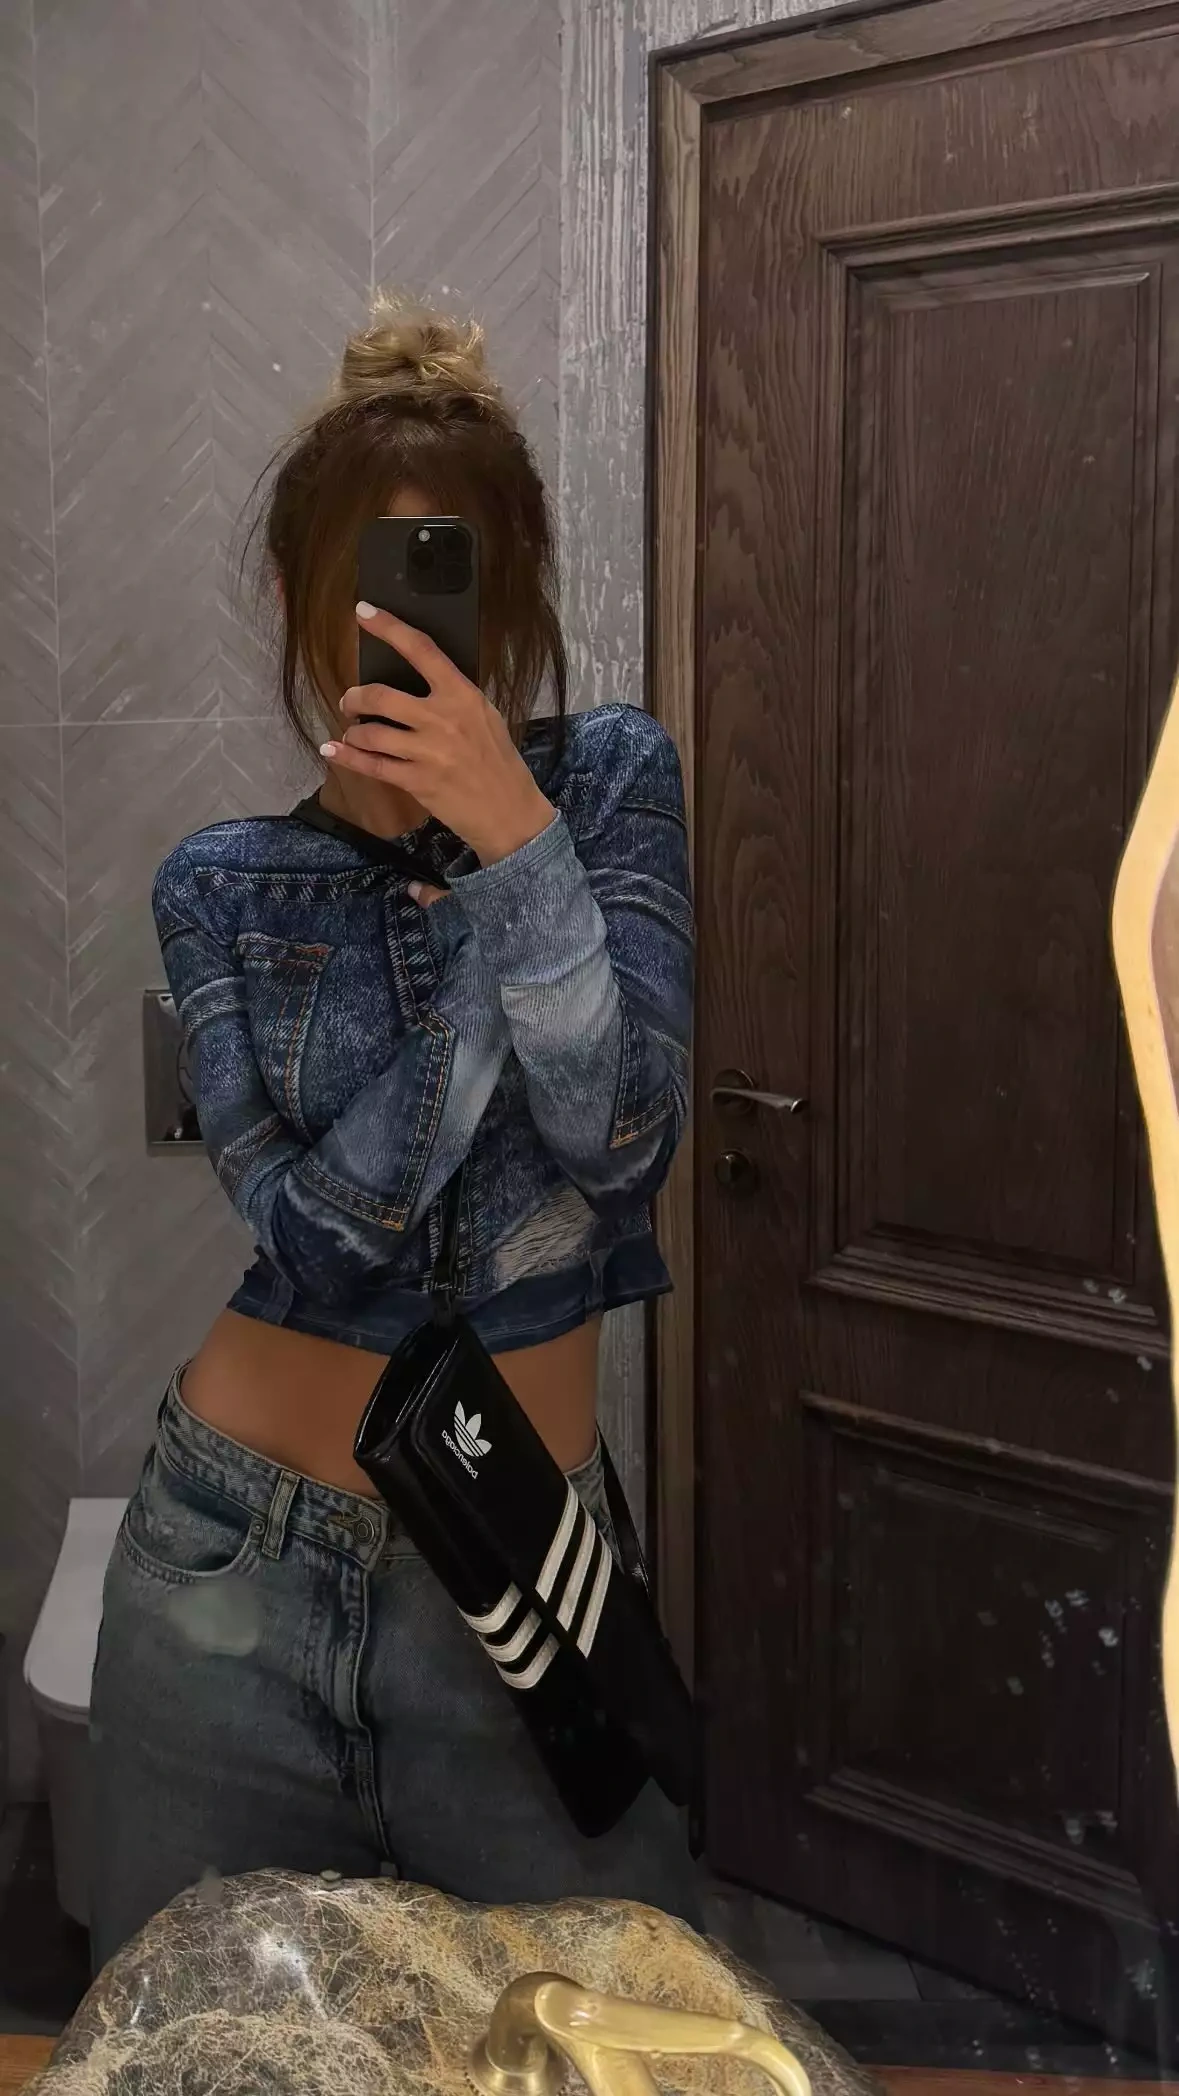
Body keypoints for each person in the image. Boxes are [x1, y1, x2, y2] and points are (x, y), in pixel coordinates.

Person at [88, 295, 696, 1967]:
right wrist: (499, 942)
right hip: (223, 1563)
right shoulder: (219, 885)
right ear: (300, 603)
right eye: (362, 587)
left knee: (592, 2027)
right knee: (202, 2050)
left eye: (445, 577)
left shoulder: (612, 787)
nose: (405, 625)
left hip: (512, 1561)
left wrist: (518, 846)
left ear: (515, 592)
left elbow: (623, 1143)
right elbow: (320, 1240)